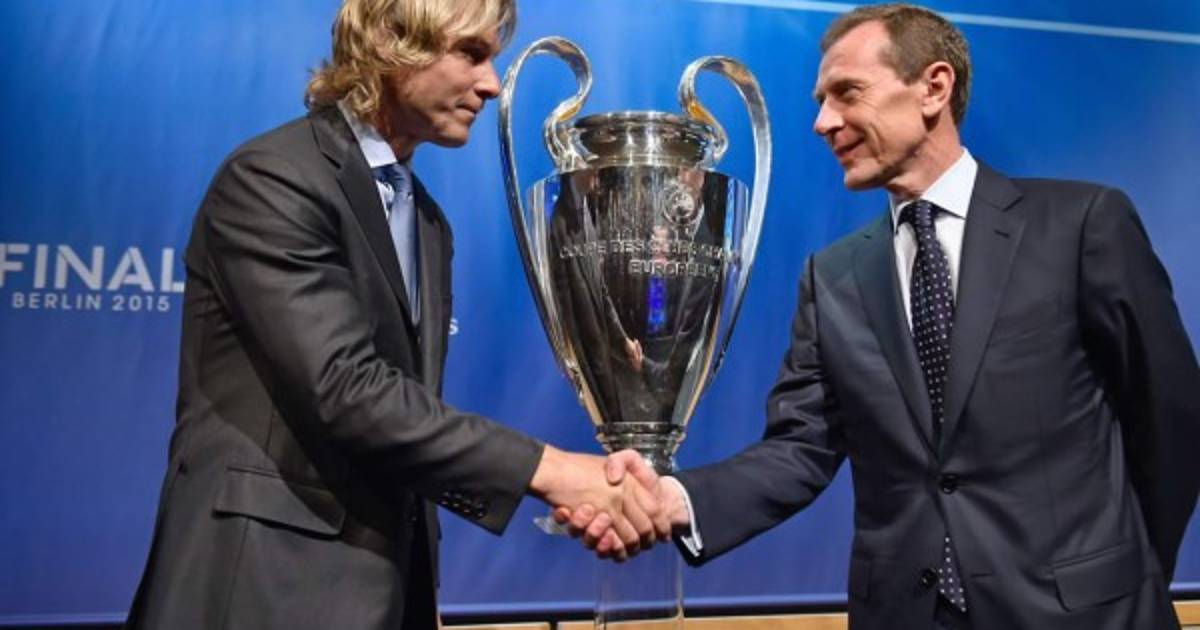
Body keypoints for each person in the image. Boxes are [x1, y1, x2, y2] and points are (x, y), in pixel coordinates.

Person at [563, 4, 1200, 629]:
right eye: (821, 101)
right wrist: (672, 499)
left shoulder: (1079, 226)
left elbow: (1170, 418)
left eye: (847, 93)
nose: (822, 122)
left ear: (934, 88)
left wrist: (1128, 573)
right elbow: (799, 450)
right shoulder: (833, 277)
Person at [123, 1, 668, 629]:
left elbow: (405, 413)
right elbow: (345, 388)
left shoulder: (428, 221)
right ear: (392, 43)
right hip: (261, 586)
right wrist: (553, 472)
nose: (492, 85)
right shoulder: (274, 178)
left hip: (383, 589)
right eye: (471, 54)